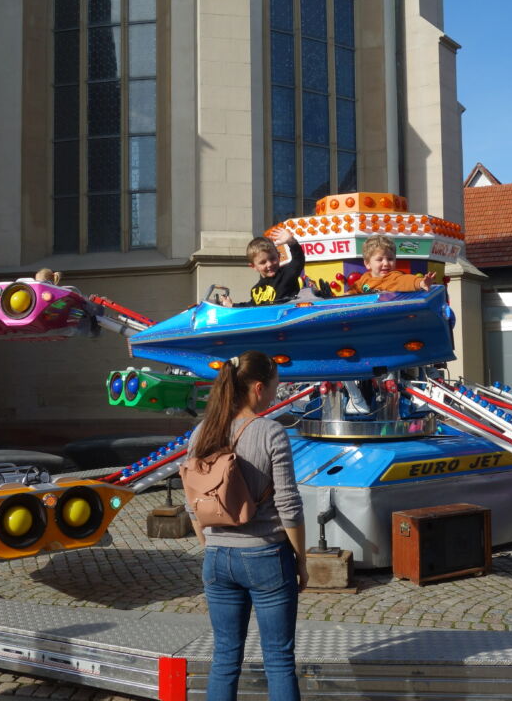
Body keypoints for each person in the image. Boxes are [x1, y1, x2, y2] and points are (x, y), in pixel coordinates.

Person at [185, 350, 306, 701]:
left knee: (224, 657)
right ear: (257, 388)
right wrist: (301, 560)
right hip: (265, 556)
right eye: (274, 387)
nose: (275, 394)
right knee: (279, 660)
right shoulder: (271, 432)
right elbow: (288, 505)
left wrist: (210, 545)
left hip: (217, 558)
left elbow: (193, 500)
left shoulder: (200, 433)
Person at [235, 231, 306, 307]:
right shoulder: (255, 290)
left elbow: (298, 260)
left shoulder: (286, 275)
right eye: (263, 262)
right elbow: (251, 306)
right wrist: (232, 305)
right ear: (254, 267)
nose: (269, 264)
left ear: (278, 256)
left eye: (272, 259)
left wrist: (291, 242)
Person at [349, 235, 434, 294]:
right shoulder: (365, 278)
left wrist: (421, 283)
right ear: (367, 264)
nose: (386, 263)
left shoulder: (393, 277)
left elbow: (405, 281)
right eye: (379, 259)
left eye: (390, 259)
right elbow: (355, 289)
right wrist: (348, 294)